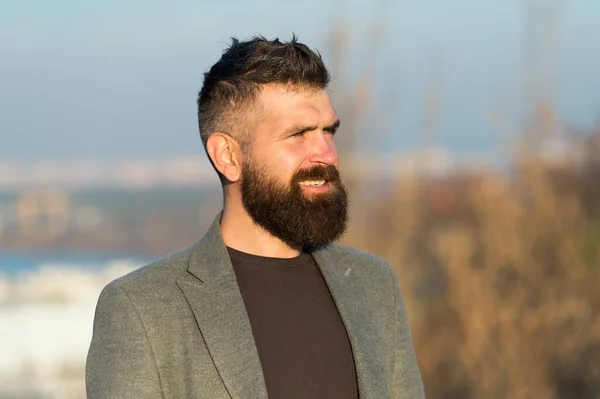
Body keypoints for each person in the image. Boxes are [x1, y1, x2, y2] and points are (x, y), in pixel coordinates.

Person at [86, 35, 425, 399]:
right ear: (227, 156)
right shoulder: (141, 309)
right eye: (298, 135)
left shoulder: (373, 285)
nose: (327, 154)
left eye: (329, 131)